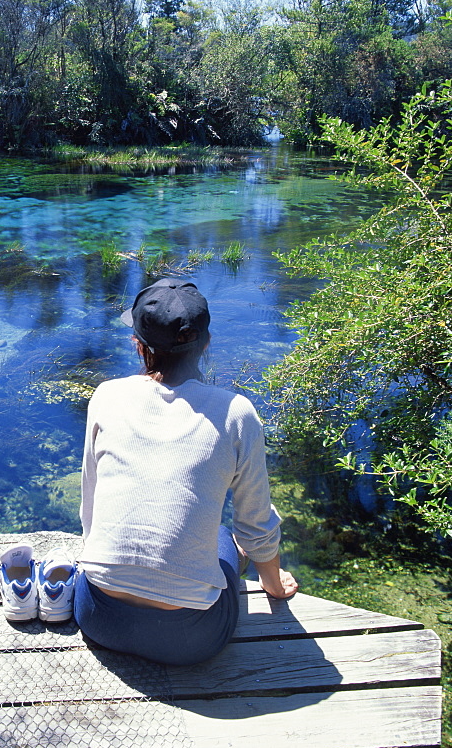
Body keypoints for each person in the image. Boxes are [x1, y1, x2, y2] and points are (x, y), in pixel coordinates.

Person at [73, 278, 298, 666]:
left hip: (98, 615)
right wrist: (273, 587)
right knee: (224, 536)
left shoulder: (106, 395)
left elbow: (90, 505)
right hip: (190, 640)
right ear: (206, 344)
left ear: (139, 346)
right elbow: (256, 523)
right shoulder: (236, 413)